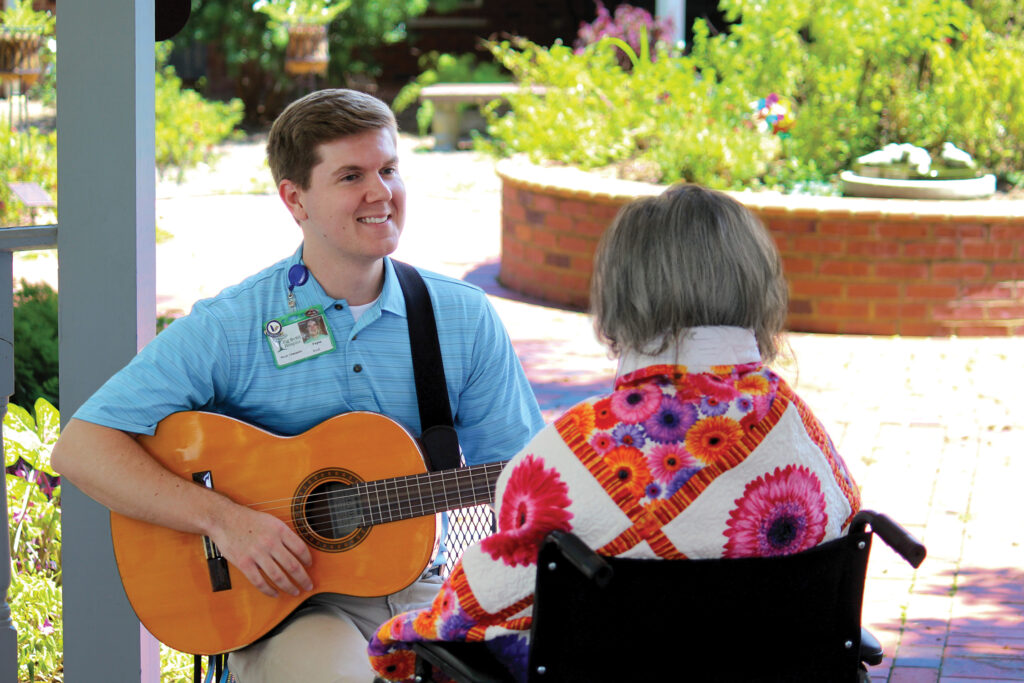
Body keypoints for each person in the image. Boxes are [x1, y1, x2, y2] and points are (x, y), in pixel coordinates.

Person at [50, 89, 545, 683]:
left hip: (423, 593)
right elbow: (80, 447)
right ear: (295, 198)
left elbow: (525, 483)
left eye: (389, 169)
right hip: (289, 607)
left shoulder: (461, 318)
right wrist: (225, 521)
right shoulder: (232, 325)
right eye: (351, 175)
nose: (381, 192)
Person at [367, 183, 862, 682]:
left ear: (620, 295)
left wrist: (399, 636)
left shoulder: (568, 454)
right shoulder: (802, 432)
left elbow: (474, 610)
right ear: (758, 285)